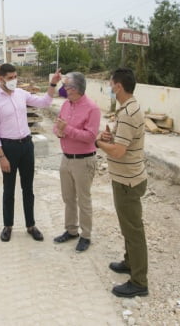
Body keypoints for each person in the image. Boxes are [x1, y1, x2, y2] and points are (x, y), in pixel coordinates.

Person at [0, 63, 61, 242]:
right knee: (9, 189)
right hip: (8, 148)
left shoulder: (21, 94)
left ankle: (31, 225)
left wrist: (52, 84)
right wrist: (1, 156)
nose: (14, 80)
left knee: (28, 188)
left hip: (26, 145)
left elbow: (44, 102)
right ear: (1, 78)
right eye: (10, 78)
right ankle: (8, 225)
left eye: (15, 77)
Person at [95, 67, 149, 298]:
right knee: (128, 226)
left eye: (110, 85)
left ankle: (139, 281)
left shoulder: (128, 113)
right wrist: (111, 137)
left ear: (118, 86)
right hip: (126, 177)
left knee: (133, 230)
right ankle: (130, 262)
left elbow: (118, 151)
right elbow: (122, 142)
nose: (109, 88)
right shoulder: (129, 108)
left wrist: (99, 143)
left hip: (128, 181)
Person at [53, 72, 101, 252]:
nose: (64, 89)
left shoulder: (92, 109)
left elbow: (90, 137)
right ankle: (71, 230)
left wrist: (67, 129)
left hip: (83, 160)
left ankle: (85, 235)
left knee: (84, 200)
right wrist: (58, 131)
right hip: (66, 158)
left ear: (76, 88)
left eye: (67, 86)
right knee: (68, 198)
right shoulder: (66, 104)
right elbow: (57, 125)